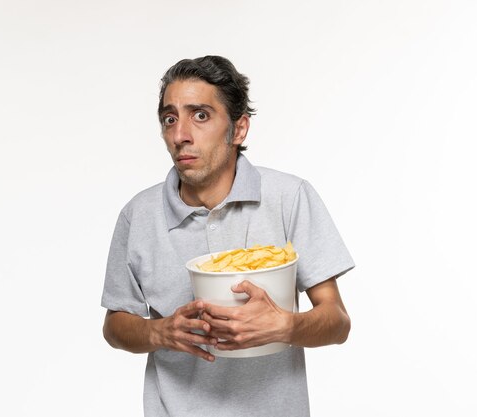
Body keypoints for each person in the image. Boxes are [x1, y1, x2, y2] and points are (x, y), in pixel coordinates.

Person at [101, 55, 354, 417]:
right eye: (169, 118)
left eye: (200, 115)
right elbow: (115, 326)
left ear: (238, 129)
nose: (180, 135)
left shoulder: (289, 197)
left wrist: (286, 326)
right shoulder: (138, 215)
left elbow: (337, 322)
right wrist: (160, 332)